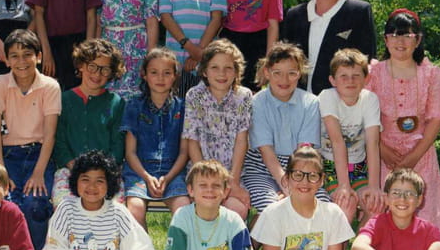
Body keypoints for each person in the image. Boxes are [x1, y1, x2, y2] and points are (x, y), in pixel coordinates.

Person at [252, 146, 374, 250]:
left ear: (322, 180)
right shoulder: (272, 213)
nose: (305, 182)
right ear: (286, 179)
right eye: (298, 175)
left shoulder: (333, 212)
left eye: (313, 176)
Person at [31, 150, 156, 250]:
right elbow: (53, 247)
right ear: (76, 181)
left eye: (99, 181)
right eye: (85, 180)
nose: (92, 187)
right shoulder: (66, 208)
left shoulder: (118, 211)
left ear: (109, 184)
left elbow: (138, 244)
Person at [365, 9, 440, 228]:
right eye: (394, 35)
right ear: (386, 39)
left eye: (407, 35)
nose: (400, 41)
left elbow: (435, 119)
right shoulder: (372, 72)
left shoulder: (432, 74)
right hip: (382, 154)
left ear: (418, 39)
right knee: (382, 218)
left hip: (421, 154)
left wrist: (413, 157)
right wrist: (382, 150)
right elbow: (364, 117)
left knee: (422, 220)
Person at [0, 29, 61, 250]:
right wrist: (0, 171)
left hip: (39, 155)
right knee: (7, 202)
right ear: (7, 60)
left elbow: (50, 134)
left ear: (39, 56)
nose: (21, 61)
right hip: (6, 155)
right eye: (15, 56)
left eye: (27, 54)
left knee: (35, 204)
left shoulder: (50, 86)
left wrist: (39, 172)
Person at [241, 43, 329, 215]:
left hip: (301, 168)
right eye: (277, 73)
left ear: (300, 73)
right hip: (261, 169)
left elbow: (304, 151)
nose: (284, 80)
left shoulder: (311, 102)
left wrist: (296, 184)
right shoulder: (256, 103)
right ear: (267, 72)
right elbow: (266, 152)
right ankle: (258, 230)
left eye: (291, 73)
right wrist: (286, 186)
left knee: (321, 208)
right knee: (274, 210)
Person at [282, 0, 376, 95]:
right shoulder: (294, 15)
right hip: (298, 99)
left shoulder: (358, 12)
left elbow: (367, 60)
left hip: (341, 99)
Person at [52, 39, 126, 207]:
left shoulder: (116, 103)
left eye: (105, 69)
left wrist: (103, 170)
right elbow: (58, 140)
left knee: (115, 206)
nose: (97, 74)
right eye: (92, 66)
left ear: (112, 73)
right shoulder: (64, 100)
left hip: (106, 172)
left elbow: (118, 144)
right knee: (63, 204)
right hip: (69, 170)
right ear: (81, 65)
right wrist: (73, 165)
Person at [183, 39, 252, 220]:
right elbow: (192, 141)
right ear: (205, 71)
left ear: (236, 71)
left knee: (237, 210)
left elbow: (241, 140)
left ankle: (231, 240)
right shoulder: (194, 96)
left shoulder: (243, 96)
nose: (222, 73)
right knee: (204, 208)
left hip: (233, 172)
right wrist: (204, 179)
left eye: (228, 68)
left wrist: (233, 182)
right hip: (201, 170)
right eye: (215, 67)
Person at [121, 48, 190, 229]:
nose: (160, 78)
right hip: (139, 171)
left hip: (173, 171)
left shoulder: (183, 108)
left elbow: (184, 152)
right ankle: (143, 247)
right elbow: (130, 153)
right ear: (144, 75)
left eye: (167, 73)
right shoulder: (134, 106)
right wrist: (147, 177)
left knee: (183, 209)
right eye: (154, 72)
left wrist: (167, 177)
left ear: (175, 76)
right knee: (134, 209)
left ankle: (176, 247)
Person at [319, 48, 384, 225]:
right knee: (346, 204)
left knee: (375, 206)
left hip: (358, 165)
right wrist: (344, 186)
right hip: (330, 164)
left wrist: (374, 186)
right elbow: (337, 141)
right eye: (344, 76)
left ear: (366, 78)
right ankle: (339, 243)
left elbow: (373, 143)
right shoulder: (327, 97)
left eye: (356, 75)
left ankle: (361, 241)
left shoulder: (370, 99)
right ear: (333, 80)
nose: (350, 81)